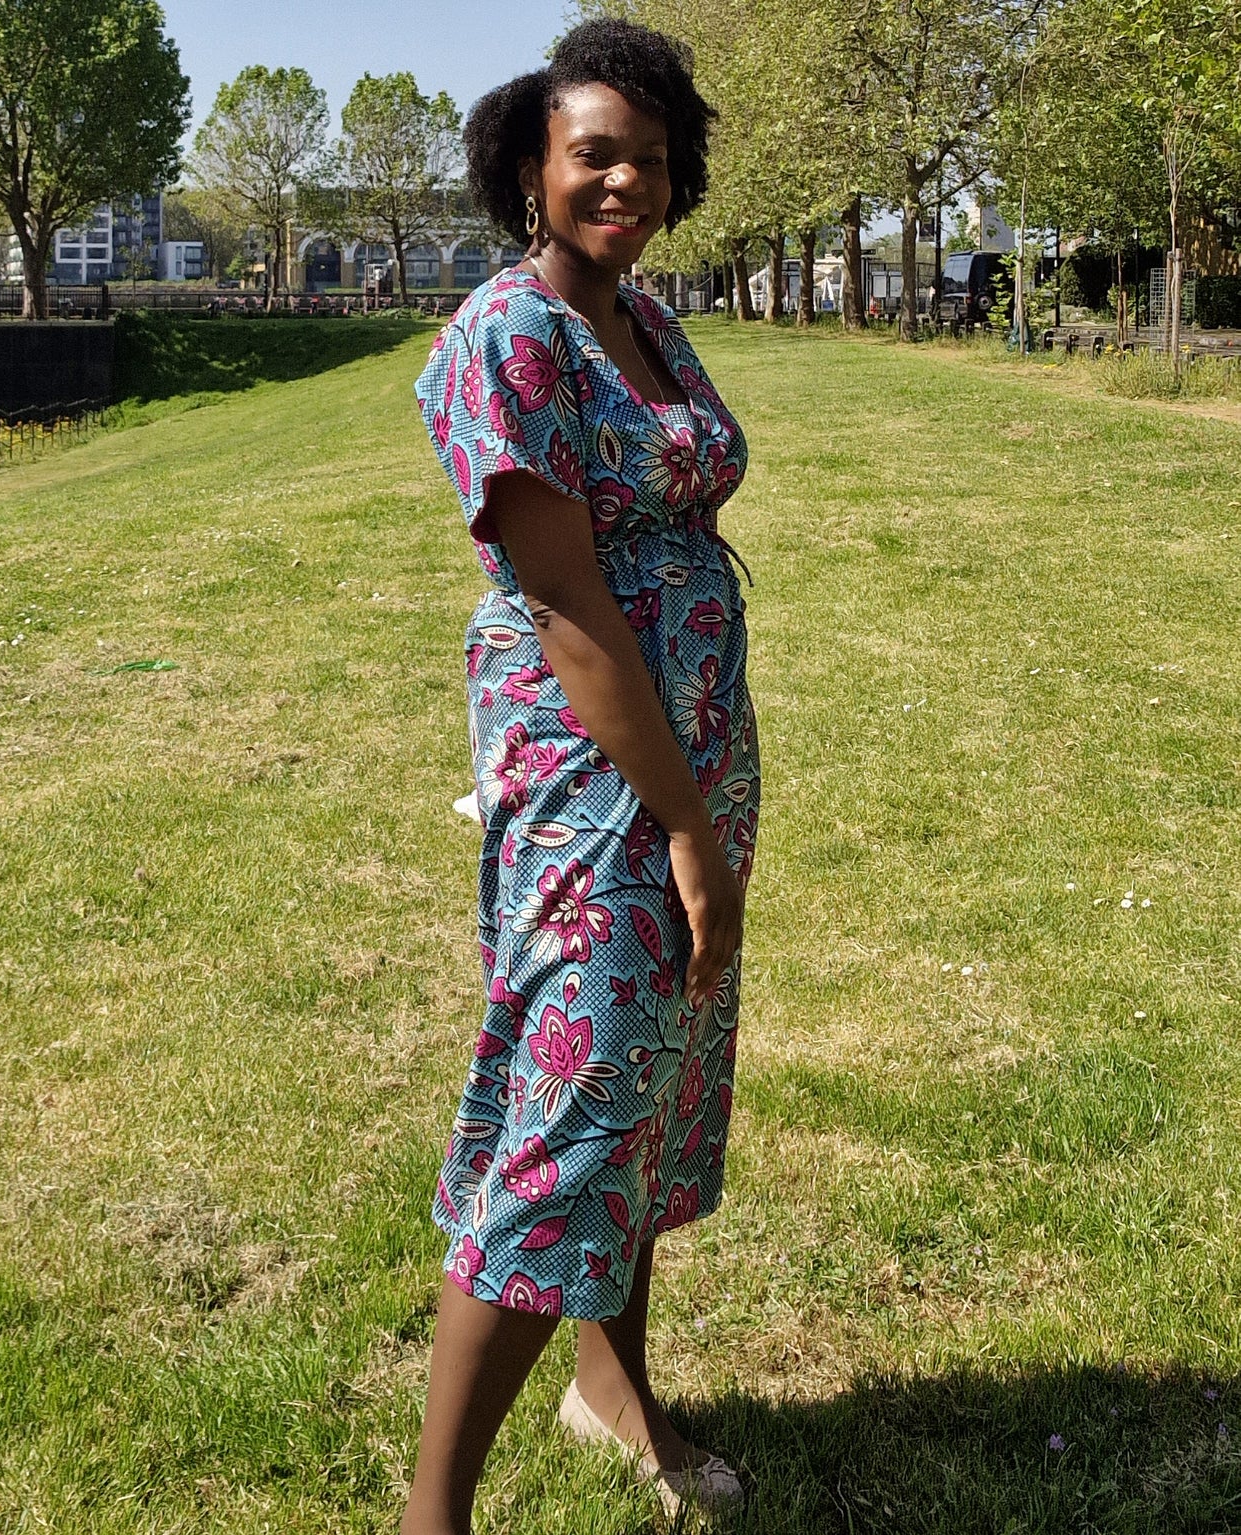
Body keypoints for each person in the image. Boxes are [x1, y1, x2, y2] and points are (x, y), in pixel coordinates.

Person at [408, 19, 758, 1532]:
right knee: (570, 1117)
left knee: (652, 1084)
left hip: (691, 752)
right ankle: (432, 1517)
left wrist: (705, 795)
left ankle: (610, 1389)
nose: (626, 178)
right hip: (596, 770)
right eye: (594, 153)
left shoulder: (642, 322)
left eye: (650, 156)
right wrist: (680, 825)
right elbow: (563, 606)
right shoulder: (510, 334)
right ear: (527, 171)